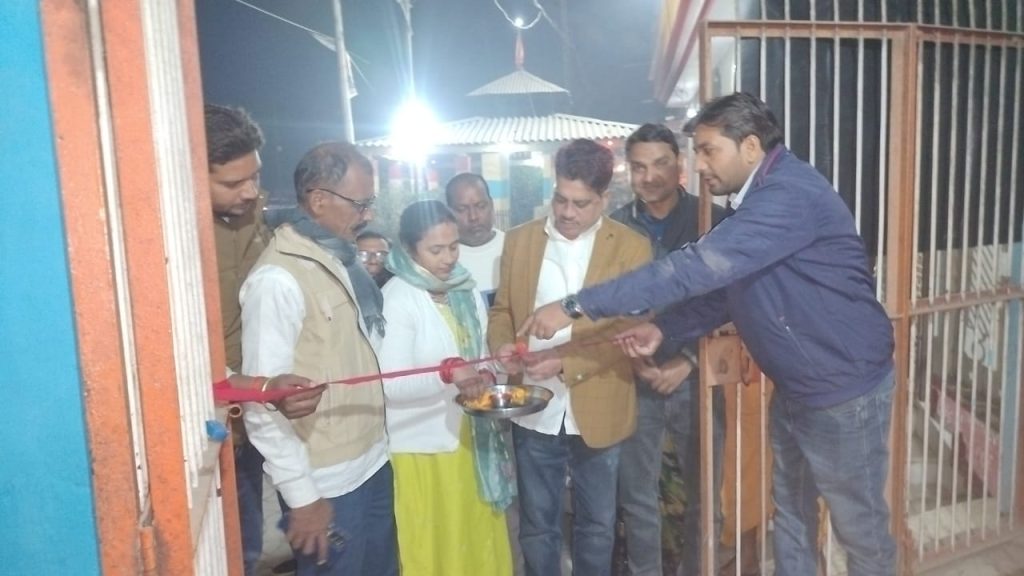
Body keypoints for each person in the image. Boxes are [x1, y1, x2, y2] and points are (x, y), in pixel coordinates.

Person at [520, 93, 897, 576]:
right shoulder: (759, 198)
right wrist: (664, 327)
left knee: (860, 530)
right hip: (798, 386)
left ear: (751, 147)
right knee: (791, 515)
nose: (698, 165)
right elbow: (729, 290)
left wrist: (576, 305)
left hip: (843, 389)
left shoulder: (788, 197)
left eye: (708, 150)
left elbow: (695, 269)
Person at [488, 139, 652, 576]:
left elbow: (628, 328)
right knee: (537, 524)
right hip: (533, 406)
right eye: (560, 199)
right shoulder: (521, 240)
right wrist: (502, 347)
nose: (566, 212)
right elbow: (503, 311)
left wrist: (564, 362)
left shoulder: (631, 248)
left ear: (605, 199)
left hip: (600, 402)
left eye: (581, 204)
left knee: (597, 525)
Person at [240, 142, 398, 576]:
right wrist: (302, 496)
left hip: (372, 460)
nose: (368, 214)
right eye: (359, 203)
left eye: (370, 201)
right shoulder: (276, 280)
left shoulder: (339, 256)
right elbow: (261, 403)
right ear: (319, 200)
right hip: (326, 481)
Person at [205, 104, 322, 576]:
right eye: (233, 183)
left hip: (246, 417)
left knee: (246, 548)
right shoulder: (172, 236)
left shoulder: (254, 217)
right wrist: (259, 386)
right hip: (206, 420)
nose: (251, 192)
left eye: (255, 176)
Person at [611, 123, 726, 576]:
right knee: (637, 498)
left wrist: (689, 360)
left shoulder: (711, 220)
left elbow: (733, 301)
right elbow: (607, 303)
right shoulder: (615, 227)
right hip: (632, 377)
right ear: (628, 171)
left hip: (699, 377)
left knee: (705, 496)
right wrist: (637, 361)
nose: (650, 176)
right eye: (639, 167)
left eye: (660, 163)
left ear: (679, 164)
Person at [377, 199, 514, 575]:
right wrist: (448, 374)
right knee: (438, 552)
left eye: (453, 246)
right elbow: (392, 386)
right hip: (425, 450)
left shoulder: (464, 291)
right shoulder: (399, 298)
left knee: (476, 546)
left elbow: (479, 359)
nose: (449, 258)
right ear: (410, 249)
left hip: (471, 442)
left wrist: (496, 367)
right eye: (436, 250)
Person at [445, 173, 505, 304]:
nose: (473, 217)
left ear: (491, 205)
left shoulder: (514, 248)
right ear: (449, 212)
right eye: (462, 209)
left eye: (481, 206)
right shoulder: (443, 261)